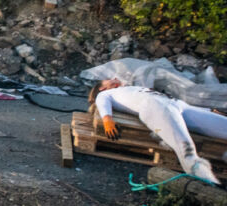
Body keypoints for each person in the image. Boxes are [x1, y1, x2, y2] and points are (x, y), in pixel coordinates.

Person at [89, 79, 227, 185]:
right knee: (186, 148)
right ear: (102, 87)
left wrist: (209, 111)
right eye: (108, 79)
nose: (114, 78)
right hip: (155, 106)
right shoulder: (107, 93)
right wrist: (107, 119)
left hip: (176, 104)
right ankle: (209, 187)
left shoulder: (132, 88)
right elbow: (102, 100)